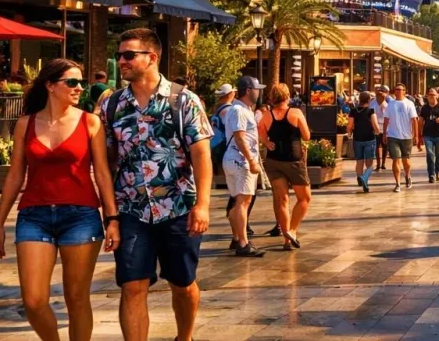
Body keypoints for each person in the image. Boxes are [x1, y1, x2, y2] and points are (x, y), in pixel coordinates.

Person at [0, 59, 120, 341]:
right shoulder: (26, 123)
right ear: (50, 86)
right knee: (34, 301)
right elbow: (15, 175)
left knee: (76, 298)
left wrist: (112, 218)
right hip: (33, 216)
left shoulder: (90, 122)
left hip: (81, 216)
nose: (79, 88)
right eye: (71, 82)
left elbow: (102, 173)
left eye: (81, 82)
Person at [101, 28, 213, 341]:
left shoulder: (183, 101)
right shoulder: (111, 107)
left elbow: (202, 155)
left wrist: (202, 204)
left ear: (151, 58)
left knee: (182, 283)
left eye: (128, 55)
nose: (121, 61)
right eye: (119, 55)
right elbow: (106, 162)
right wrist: (110, 216)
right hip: (131, 210)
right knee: (132, 285)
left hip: (178, 208)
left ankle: (184, 337)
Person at [257, 83, 311, 251]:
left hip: (273, 161)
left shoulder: (267, 115)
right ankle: (292, 231)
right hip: (293, 160)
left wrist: (267, 142)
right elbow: (307, 136)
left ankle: (286, 240)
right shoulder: (295, 113)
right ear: (287, 96)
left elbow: (261, 135)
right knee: (304, 198)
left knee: (282, 200)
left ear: (272, 98)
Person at [223, 76, 265, 257]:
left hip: (234, 159)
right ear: (248, 91)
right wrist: (252, 160)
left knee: (237, 201)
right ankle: (243, 242)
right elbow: (240, 137)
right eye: (256, 89)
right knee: (243, 202)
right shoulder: (239, 110)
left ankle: (236, 238)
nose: (259, 92)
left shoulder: (241, 109)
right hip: (241, 161)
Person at [382, 84, 419, 192]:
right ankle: (397, 183)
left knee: (405, 160)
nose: (397, 91)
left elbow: (414, 120)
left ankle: (407, 176)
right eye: (396, 89)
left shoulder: (409, 103)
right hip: (393, 135)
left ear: (404, 91)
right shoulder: (390, 104)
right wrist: (384, 133)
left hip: (406, 136)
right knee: (395, 159)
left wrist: (416, 135)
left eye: (400, 89)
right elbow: (386, 120)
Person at [348, 91, 380, 193]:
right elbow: (375, 125)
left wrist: (349, 134)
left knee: (359, 161)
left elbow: (349, 125)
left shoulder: (353, 110)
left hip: (357, 138)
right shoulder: (371, 111)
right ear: (369, 100)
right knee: (370, 164)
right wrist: (378, 132)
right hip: (369, 138)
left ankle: (359, 177)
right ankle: (365, 178)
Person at [419, 89, 439, 182]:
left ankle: (438, 172)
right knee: (430, 154)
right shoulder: (424, 108)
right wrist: (419, 134)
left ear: (437, 96)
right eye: (429, 95)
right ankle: (431, 175)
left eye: (433, 95)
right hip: (427, 134)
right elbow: (420, 121)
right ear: (427, 96)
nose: (431, 96)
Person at [369, 85, 390, 171]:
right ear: (377, 96)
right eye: (381, 97)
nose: (383, 99)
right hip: (375, 126)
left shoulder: (387, 104)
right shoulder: (372, 103)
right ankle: (378, 164)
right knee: (376, 146)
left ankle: (383, 163)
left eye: (384, 98)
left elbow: (388, 116)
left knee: (385, 146)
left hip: (385, 127)